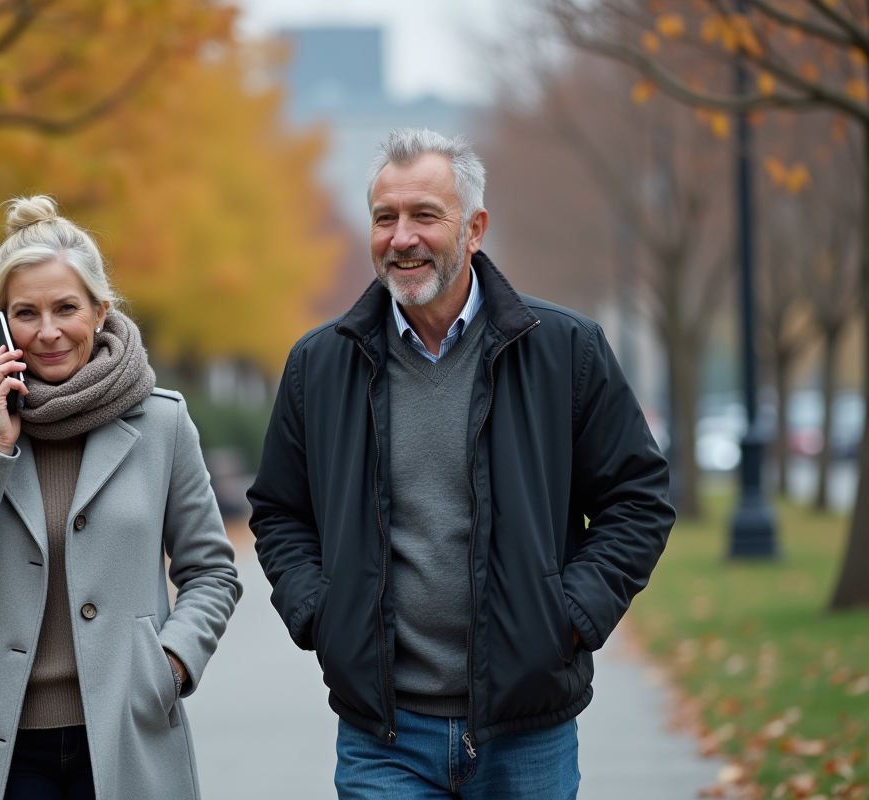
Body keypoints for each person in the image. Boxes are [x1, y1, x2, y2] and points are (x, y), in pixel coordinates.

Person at [247, 128, 674, 799]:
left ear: (474, 229)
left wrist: (568, 616)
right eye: (385, 217)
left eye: (425, 215)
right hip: (382, 737)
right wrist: (320, 614)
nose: (402, 237)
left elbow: (638, 498)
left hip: (526, 732)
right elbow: (278, 511)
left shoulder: (566, 350)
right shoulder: (319, 365)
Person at [0, 196, 241, 800]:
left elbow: (212, 571)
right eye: (26, 313)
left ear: (100, 311)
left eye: (66, 308)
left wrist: (171, 665)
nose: (48, 331)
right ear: (2, 324)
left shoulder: (162, 424)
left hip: (126, 731)